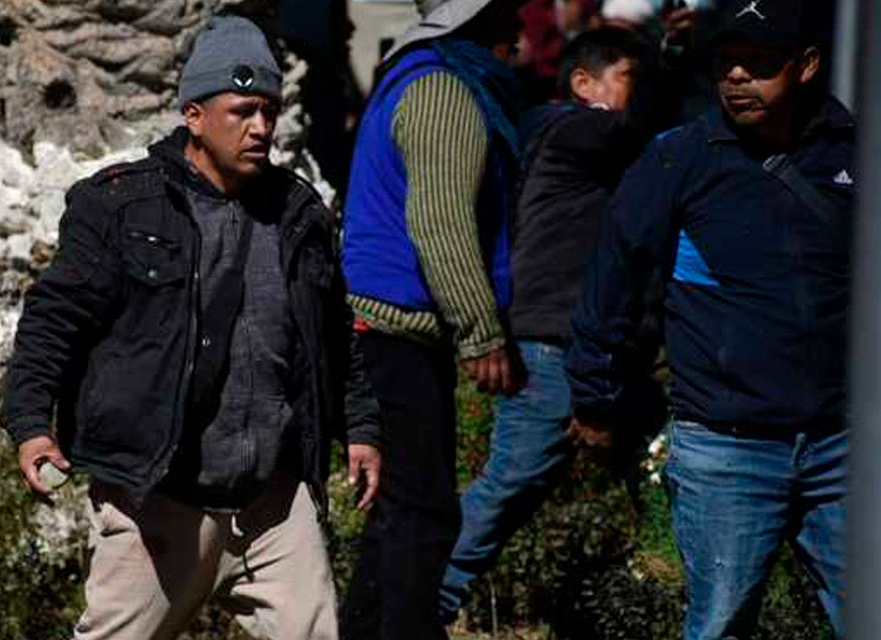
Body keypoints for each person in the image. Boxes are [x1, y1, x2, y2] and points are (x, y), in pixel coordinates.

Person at [0, 16, 383, 640]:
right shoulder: (122, 206)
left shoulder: (299, 211)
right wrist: (28, 423)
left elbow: (334, 334)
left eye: (269, 110)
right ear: (194, 115)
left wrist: (360, 428)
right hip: (161, 498)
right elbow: (53, 319)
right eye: (241, 111)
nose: (260, 127)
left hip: (273, 502)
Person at [567, 1, 850, 638]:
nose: (738, 77)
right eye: (726, 62)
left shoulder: (853, 151)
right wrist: (597, 390)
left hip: (842, 443)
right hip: (726, 447)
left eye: (758, 62)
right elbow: (613, 277)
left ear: (806, 66)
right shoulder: (679, 160)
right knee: (719, 624)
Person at [435, 27, 664, 623]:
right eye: (628, 79)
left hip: (570, 339)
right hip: (552, 341)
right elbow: (635, 130)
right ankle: (426, 600)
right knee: (513, 479)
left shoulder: (562, 137)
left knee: (532, 479)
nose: (635, 96)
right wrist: (677, 66)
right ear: (583, 83)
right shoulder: (578, 127)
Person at [338, 0, 525, 637]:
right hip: (399, 333)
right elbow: (440, 225)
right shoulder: (443, 89)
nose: (520, 37)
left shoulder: (417, 75)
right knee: (423, 513)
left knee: (403, 510)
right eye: (507, 19)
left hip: (396, 330)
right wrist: (481, 332)